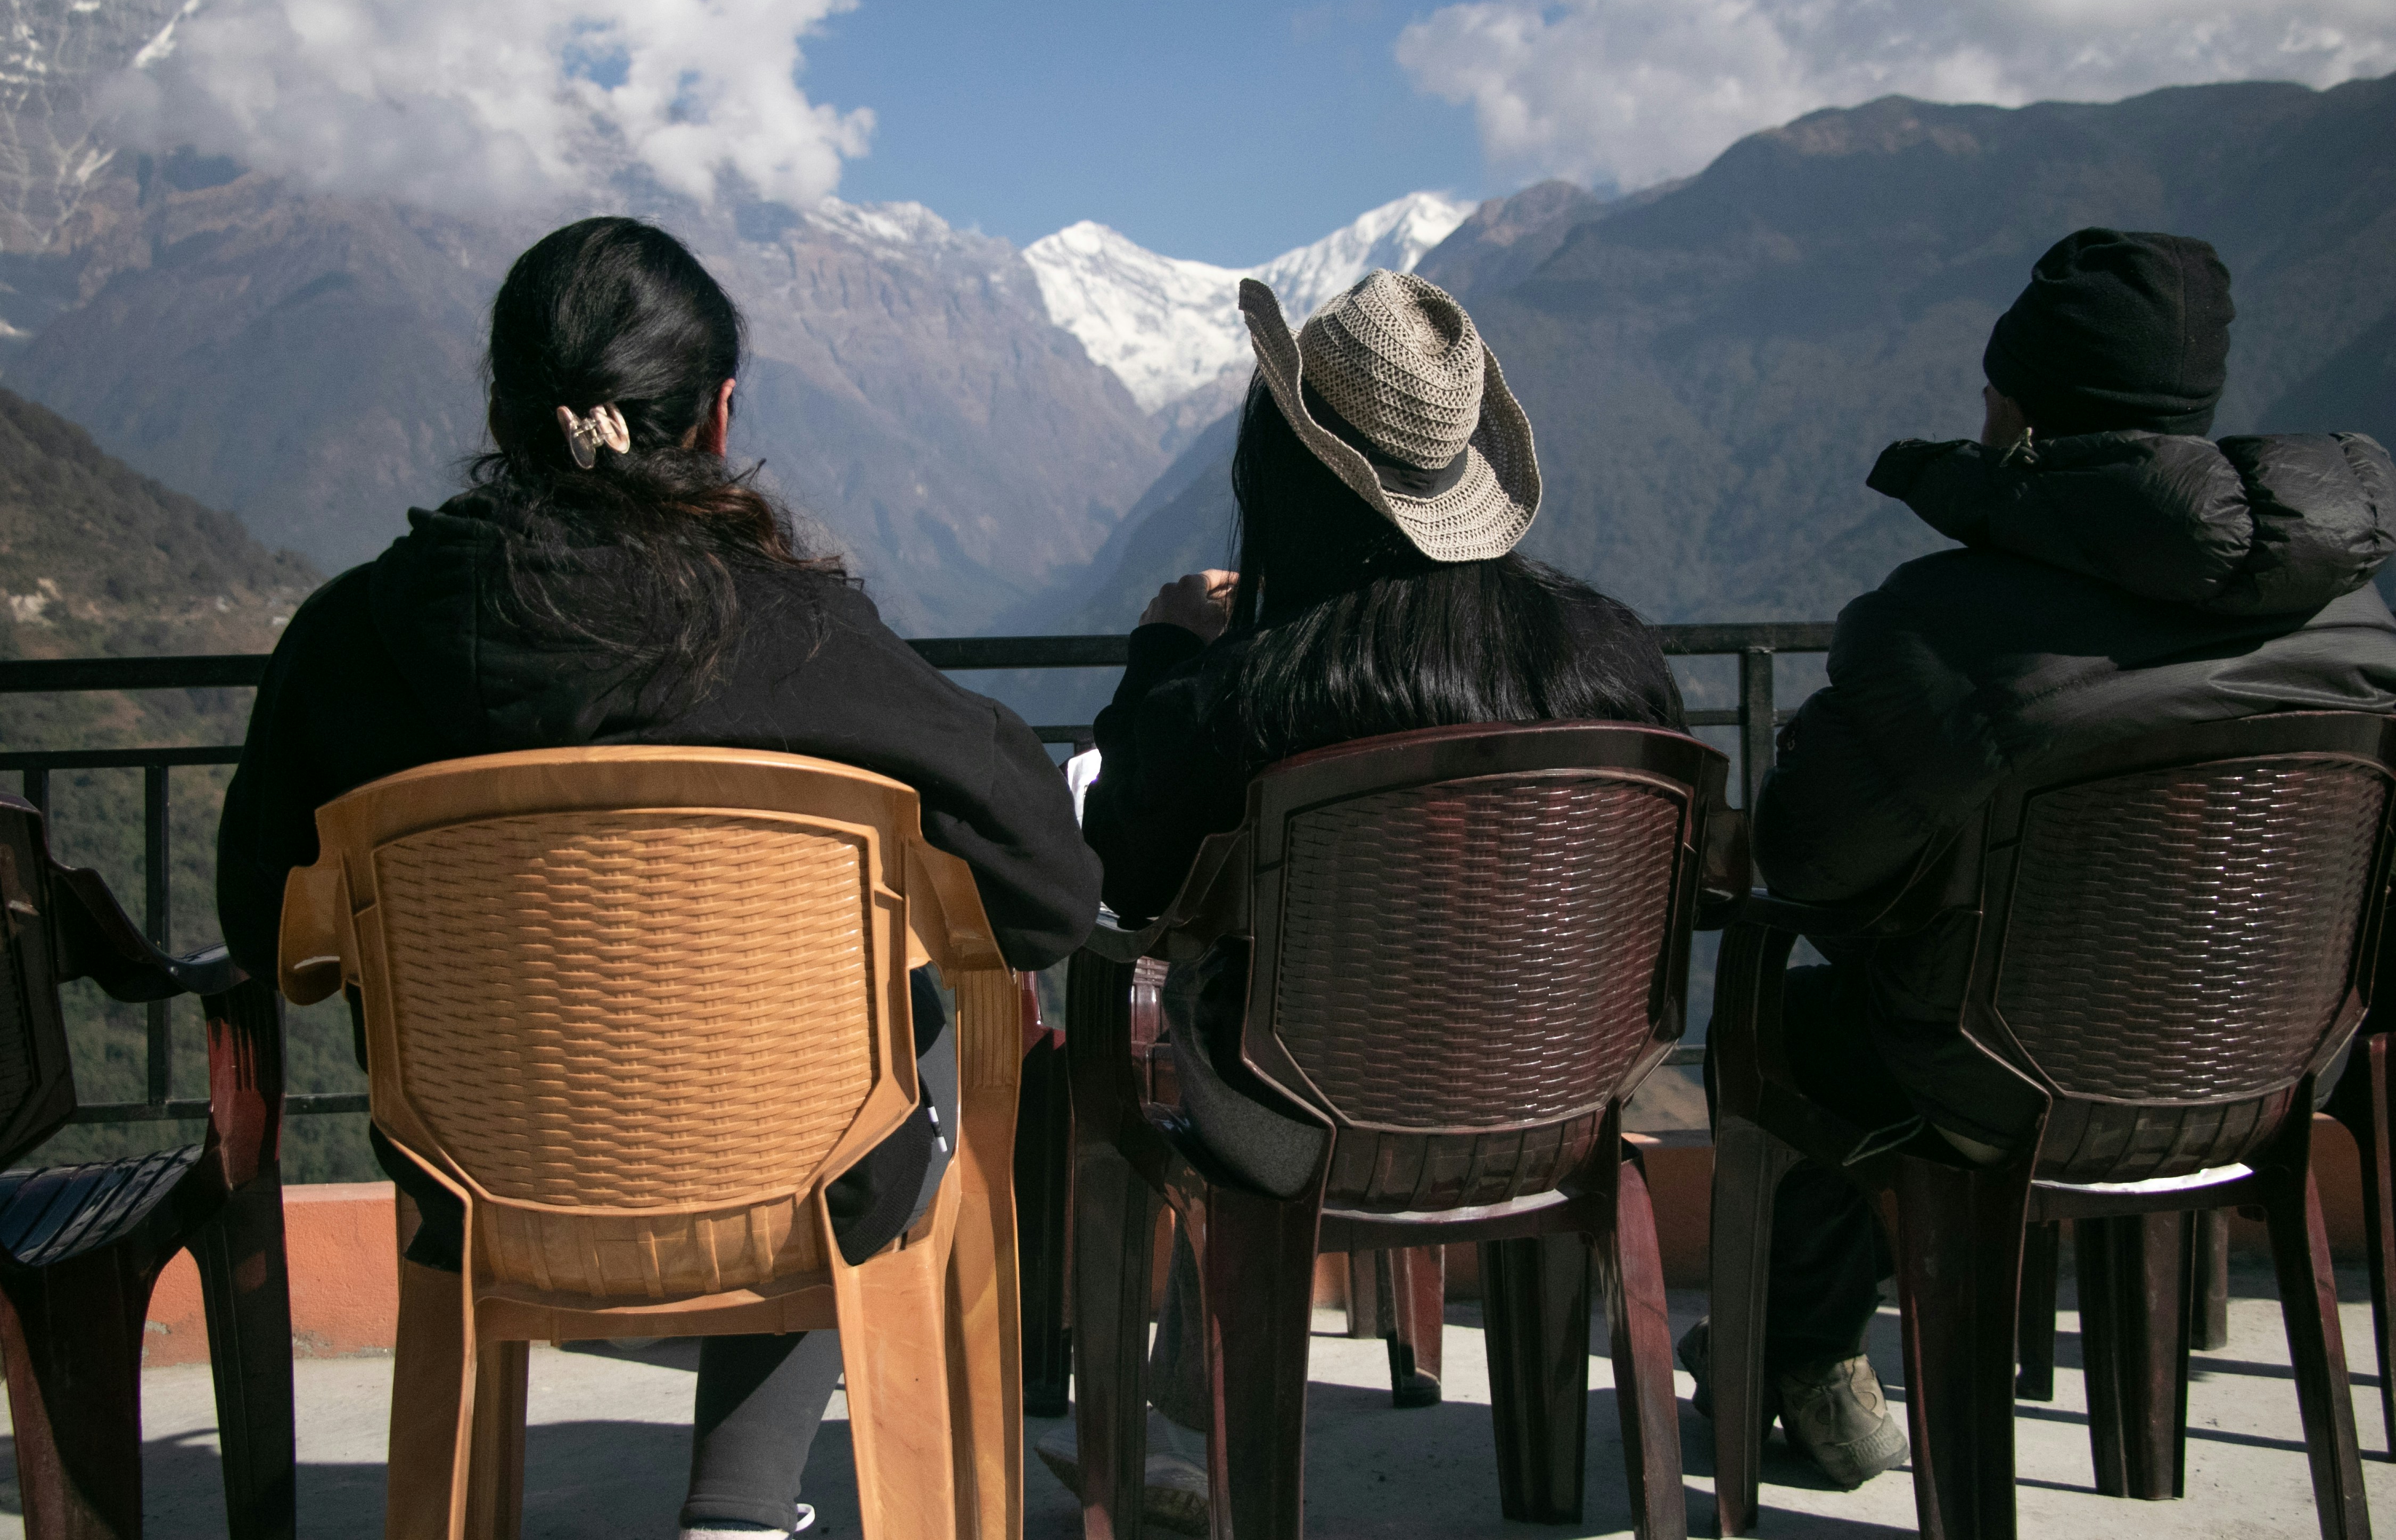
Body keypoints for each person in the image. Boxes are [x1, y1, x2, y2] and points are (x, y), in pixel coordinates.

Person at [215, 217, 1101, 1539]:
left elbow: (261, 928)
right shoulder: (802, 633)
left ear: (506, 411)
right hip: (804, 1199)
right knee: (895, 1050)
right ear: (718, 413)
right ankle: (740, 1501)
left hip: (476, 1196)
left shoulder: (351, 642)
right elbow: (1047, 892)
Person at [1679, 226, 2396, 1490]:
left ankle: (1808, 1376)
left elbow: (1811, 865)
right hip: (2279, 1067)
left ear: (2016, 411)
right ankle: (2149, 1434)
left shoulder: (1945, 623)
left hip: (2009, 1086)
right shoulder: (2353, 617)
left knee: (1784, 1022)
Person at [1042, 269, 1686, 1531]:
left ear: (1283, 465)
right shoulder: (1618, 663)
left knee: (1171, 1028)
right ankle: (1553, 1476)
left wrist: (1167, 654)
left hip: (1300, 1125)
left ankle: (1185, 1440)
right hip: (1564, 1105)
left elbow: (1123, 869)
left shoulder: (1255, 696)